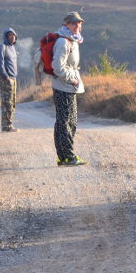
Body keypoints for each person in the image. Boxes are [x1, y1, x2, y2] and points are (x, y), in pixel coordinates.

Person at [52, 12, 87, 166]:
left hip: (68, 86)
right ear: (66, 24)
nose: (77, 26)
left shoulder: (72, 40)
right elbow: (57, 67)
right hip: (64, 86)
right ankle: (69, 157)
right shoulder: (63, 42)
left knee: (65, 122)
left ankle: (64, 157)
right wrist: (71, 79)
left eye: (79, 23)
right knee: (67, 122)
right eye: (73, 23)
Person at [0, 27, 19, 132]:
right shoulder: (2, 47)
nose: (12, 37)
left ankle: (9, 124)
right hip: (6, 79)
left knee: (12, 102)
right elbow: (0, 64)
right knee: (7, 103)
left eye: (13, 35)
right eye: (9, 35)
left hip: (13, 78)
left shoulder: (12, 48)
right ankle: (6, 126)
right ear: (5, 36)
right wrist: (6, 77)